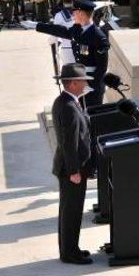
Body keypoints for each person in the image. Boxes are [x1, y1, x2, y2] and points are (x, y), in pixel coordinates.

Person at [25, 0, 110, 107]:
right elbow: (61, 30)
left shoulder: (98, 37)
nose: (72, 16)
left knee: (92, 117)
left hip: (92, 85)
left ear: (81, 14)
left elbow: (102, 67)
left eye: (74, 13)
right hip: (80, 81)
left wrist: (90, 85)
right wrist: (37, 26)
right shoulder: (78, 29)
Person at [51, 63, 94, 264]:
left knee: (70, 210)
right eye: (84, 80)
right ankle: (69, 253)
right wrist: (74, 170)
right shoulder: (68, 106)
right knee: (71, 212)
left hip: (73, 167)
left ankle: (70, 249)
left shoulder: (70, 101)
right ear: (74, 83)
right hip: (72, 169)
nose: (86, 83)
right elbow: (69, 142)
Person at [49, 0, 79, 69]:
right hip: (82, 48)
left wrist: (51, 41)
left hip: (66, 49)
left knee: (70, 73)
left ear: (64, 1)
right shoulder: (82, 13)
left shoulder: (59, 16)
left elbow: (54, 35)